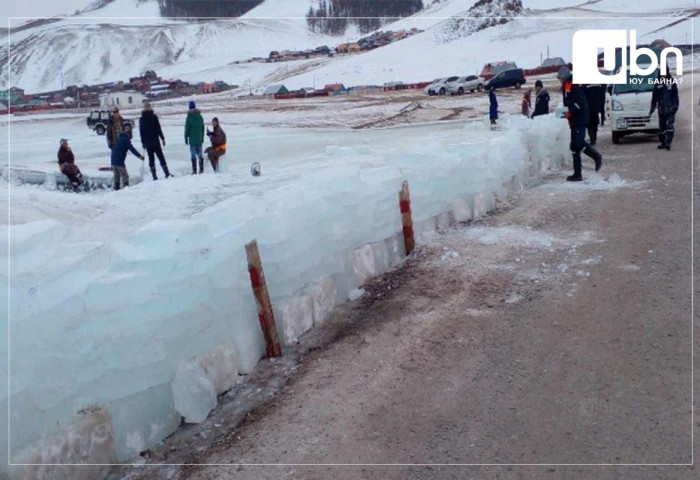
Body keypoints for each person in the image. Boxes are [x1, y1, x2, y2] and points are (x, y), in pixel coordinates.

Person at [557, 66, 602, 182]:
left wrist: (570, 112)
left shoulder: (575, 85)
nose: (560, 80)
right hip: (573, 119)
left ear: (565, 77)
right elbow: (567, 102)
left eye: (560, 78)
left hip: (581, 118)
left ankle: (596, 156)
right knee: (573, 146)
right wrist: (565, 112)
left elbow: (580, 103)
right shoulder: (565, 87)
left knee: (579, 142)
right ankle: (577, 173)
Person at [139, 102, 172, 180]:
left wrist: (143, 143)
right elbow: (158, 129)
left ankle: (154, 176)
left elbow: (141, 132)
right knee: (161, 157)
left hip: (147, 142)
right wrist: (162, 138)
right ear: (150, 108)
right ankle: (167, 173)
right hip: (155, 141)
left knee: (151, 159)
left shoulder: (142, 119)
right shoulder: (154, 117)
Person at [650, 71, 679, 151]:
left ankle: (669, 143)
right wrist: (652, 108)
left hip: (670, 109)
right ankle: (663, 142)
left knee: (670, 126)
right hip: (661, 109)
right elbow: (654, 98)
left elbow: (675, 96)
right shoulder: (658, 84)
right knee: (662, 128)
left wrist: (675, 106)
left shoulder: (672, 82)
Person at [184, 100, 205, 174]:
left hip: (192, 139)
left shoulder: (189, 117)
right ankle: (201, 169)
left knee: (193, 155)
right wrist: (202, 137)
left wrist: (186, 137)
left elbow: (187, 128)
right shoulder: (200, 116)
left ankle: (194, 170)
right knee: (200, 154)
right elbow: (202, 127)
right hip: (199, 138)